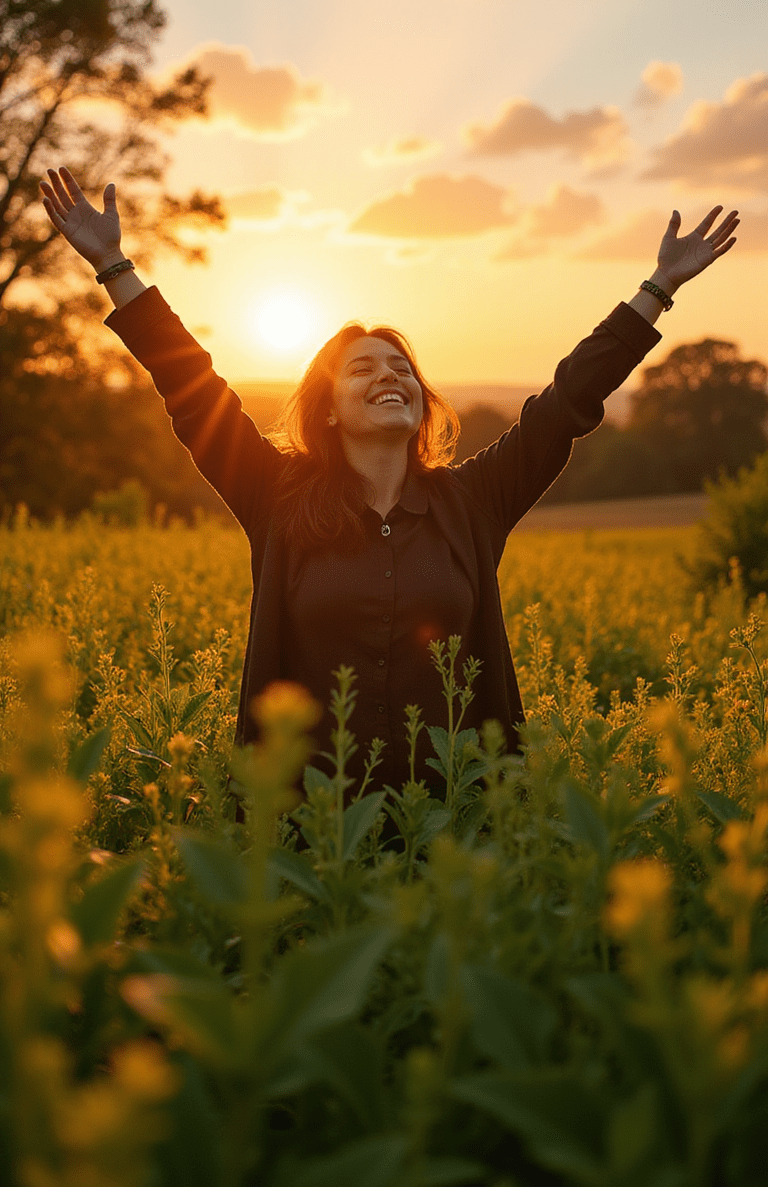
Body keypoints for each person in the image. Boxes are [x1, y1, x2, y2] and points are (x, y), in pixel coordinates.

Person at [40, 167, 739, 796]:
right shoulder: (274, 494)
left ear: (422, 400)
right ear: (331, 410)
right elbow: (191, 386)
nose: (390, 376)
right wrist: (113, 265)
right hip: (309, 831)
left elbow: (566, 405)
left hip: (453, 824)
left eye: (402, 367)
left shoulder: (474, 501)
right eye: (364, 368)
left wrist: (658, 290)